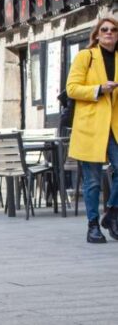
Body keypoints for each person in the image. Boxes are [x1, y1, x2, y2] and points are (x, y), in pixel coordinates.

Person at [66, 17, 118, 243]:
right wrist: (99, 89)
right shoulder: (85, 57)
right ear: (96, 35)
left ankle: (112, 212)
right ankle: (93, 226)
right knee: (93, 181)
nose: (109, 33)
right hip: (91, 125)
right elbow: (71, 89)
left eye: (114, 30)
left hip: (114, 126)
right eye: (104, 29)